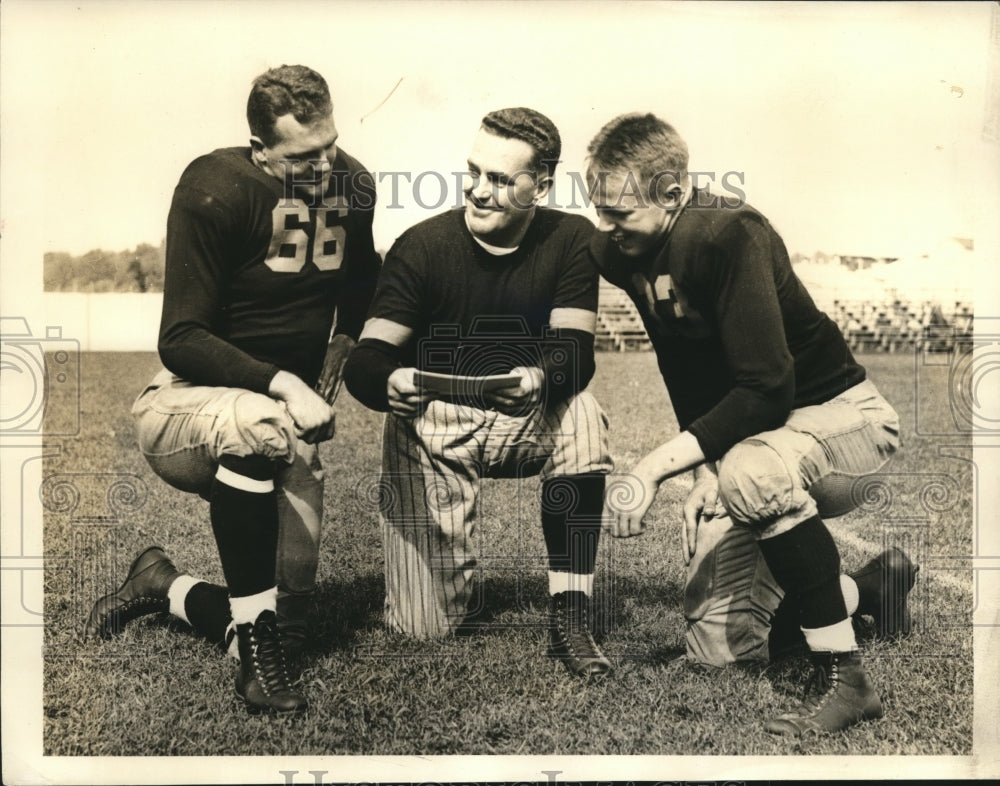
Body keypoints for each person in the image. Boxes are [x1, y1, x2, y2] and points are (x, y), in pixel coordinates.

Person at [589, 113, 916, 735]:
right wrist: (708, 469)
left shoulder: (730, 234)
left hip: (845, 421)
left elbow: (767, 389)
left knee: (753, 469)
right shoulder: (623, 247)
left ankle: (847, 683)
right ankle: (867, 592)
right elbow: (683, 368)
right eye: (598, 211)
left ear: (672, 192)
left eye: (619, 214)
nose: (606, 229)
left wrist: (655, 470)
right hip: (759, 442)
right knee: (721, 647)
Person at [83, 65, 382, 714]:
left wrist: (340, 350)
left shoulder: (353, 182)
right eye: (304, 156)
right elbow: (181, 337)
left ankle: (161, 585)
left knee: (281, 630)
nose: (325, 164)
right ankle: (254, 675)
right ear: (261, 153)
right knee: (255, 422)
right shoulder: (215, 186)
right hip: (184, 409)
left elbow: (362, 283)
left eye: (330, 143)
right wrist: (283, 384)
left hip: (280, 420)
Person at [343, 107, 614, 677]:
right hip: (432, 426)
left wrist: (539, 378)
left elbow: (575, 353)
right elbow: (365, 359)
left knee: (582, 416)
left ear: (539, 186)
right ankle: (443, 587)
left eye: (498, 179)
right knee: (423, 628)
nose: (478, 190)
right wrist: (387, 381)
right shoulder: (422, 246)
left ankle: (570, 612)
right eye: (473, 172)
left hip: (522, 415)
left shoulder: (570, 238)